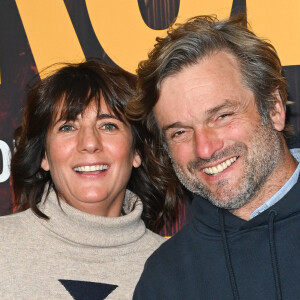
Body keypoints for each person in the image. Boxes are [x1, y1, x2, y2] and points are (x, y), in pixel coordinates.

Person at [127, 14, 300, 300]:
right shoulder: (164, 278)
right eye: (180, 132)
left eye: (221, 116)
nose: (204, 149)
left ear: (274, 108)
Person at [0, 59, 171, 299]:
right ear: (44, 156)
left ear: (136, 152)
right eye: (68, 127)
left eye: (108, 126)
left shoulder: (177, 269)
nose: (89, 143)